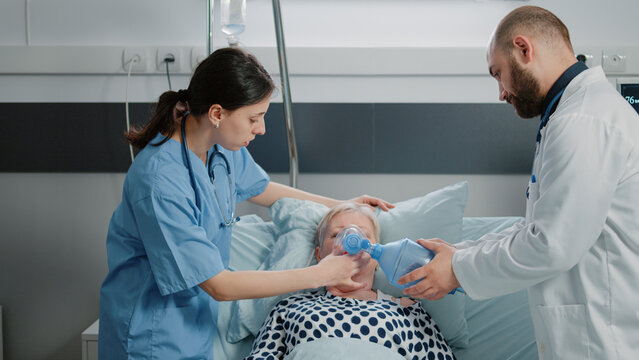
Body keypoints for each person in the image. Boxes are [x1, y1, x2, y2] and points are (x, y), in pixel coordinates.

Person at [98, 47, 393, 359]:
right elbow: (219, 285)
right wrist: (323, 273)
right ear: (216, 114)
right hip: (149, 336)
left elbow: (263, 189)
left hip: (194, 328)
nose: (261, 128)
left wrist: (340, 205)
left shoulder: (221, 146)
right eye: (254, 118)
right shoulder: (160, 180)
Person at [399, 5, 639, 359]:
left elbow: (551, 245)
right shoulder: (573, 116)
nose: (500, 92)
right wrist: (459, 253)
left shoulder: (583, 122)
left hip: (603, 342)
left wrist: (457, 270)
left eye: (498, 73)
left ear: (524, 49)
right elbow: (537, 229)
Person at [244, 203, 455, 360]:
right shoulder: (289, 308)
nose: (349, 239)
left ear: (378, 256)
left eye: (362, 234)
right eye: (336, 234)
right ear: (320, 254)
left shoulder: (408, 310)